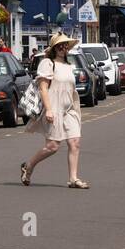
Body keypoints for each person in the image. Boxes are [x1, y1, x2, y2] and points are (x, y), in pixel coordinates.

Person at [19, 33, 88, 189]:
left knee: (75, 142)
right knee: (53, 146)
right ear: (54, 48)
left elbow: (70, 89)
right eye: (60, 46)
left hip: (69, 108)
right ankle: (28, 166)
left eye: (65, 46)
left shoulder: (68, 66)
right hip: (54, 107)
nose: (63, 48)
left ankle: (73, 178)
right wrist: (49, 110)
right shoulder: (48, 63)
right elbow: (43, 88)